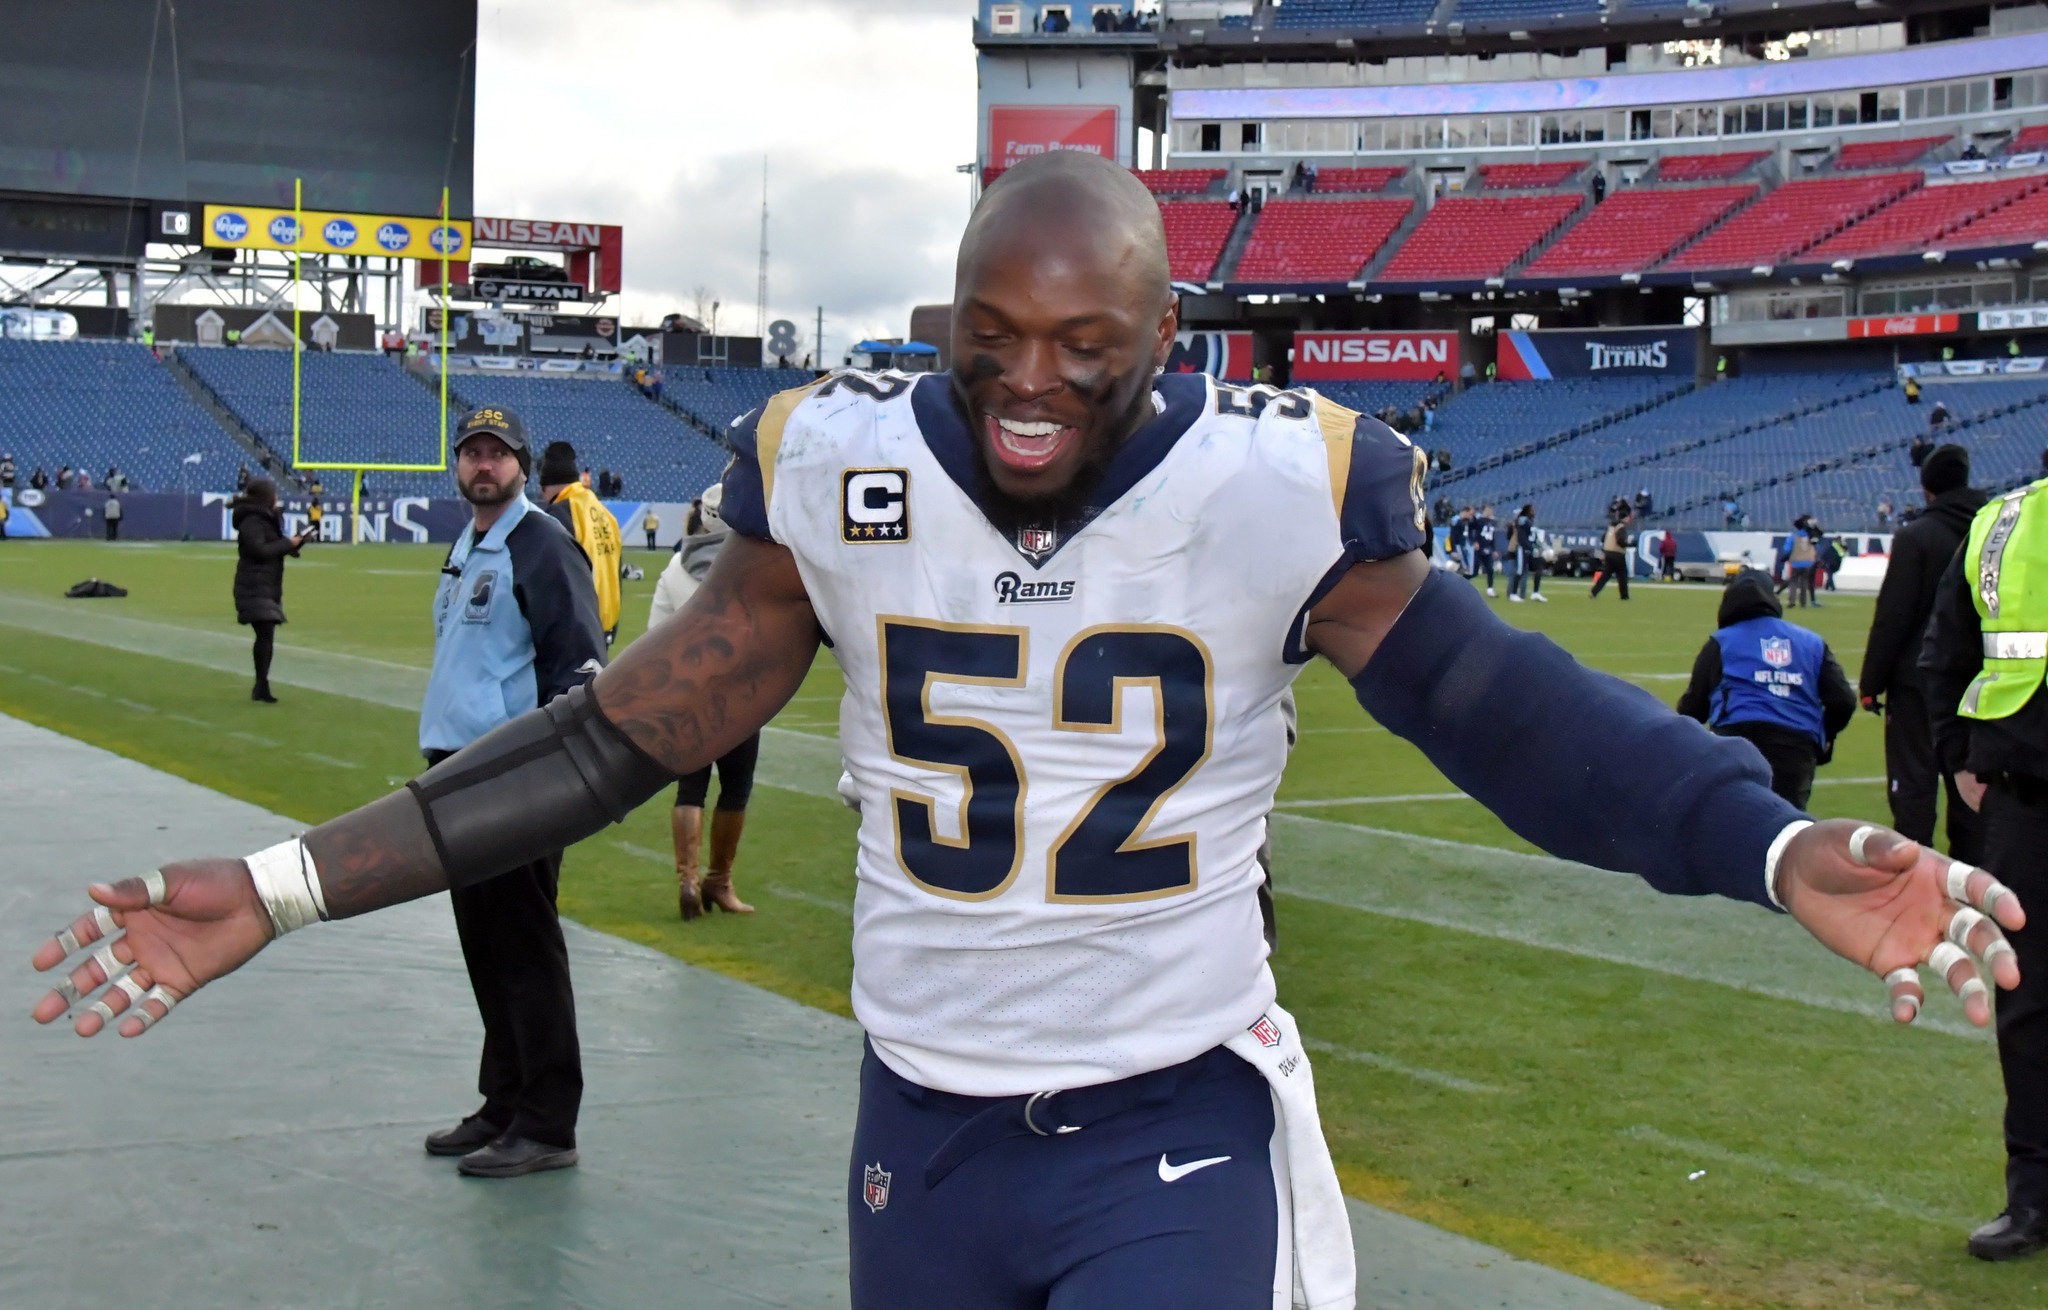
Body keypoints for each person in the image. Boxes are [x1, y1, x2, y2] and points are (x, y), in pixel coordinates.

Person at [30, 149, 2026, 1309]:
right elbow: (603, 740)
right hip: (917, 1137)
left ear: (1170, 334)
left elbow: (1513, 718)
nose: (1030, 385)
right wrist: (280, 886)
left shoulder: (1278, 484)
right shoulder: (835, 473)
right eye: (992, 336)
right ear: (947, 314)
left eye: (1087, 344)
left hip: (1162, 1129)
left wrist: (1769, 847)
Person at [419, 405, 608, 1179]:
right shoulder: (471, 542)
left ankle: (547, 1120)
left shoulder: (540, 544)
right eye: (473, 452)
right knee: (487, 947)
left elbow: (580, 667)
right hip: (457, 772)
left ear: (523, 466)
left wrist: (548, 777)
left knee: (525, 948)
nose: (484, 465)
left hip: (513, 776)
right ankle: (502, 1101)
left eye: (498, 453)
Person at [1921, 473, 2048, 1260]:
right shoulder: (2002, 523)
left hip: (2016, 803)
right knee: (2027, 1008)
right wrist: (1955, 753)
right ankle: (2032, 1200)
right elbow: (1948, 652)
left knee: (2029, 1009)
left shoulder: (2001, 517)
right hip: (2022, 802)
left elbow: (1941, 654)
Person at [1861, 445, 1987, 861]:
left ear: (1926, 487)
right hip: (1978, 681)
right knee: (1970, 784)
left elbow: (1894, 615)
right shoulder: (1990, 532)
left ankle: (1915, 878)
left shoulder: (1916, 536)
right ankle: (1974, 882)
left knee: (1914, 783)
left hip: (1917, 679)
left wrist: (1871, 683)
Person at [647, 483, 757, 919]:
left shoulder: (676, 566)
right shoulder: (747, 568)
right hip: (739, 694)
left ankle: (687, 879)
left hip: (687, 695)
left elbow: (655, 636)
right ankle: (719, 880)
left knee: (691, 786)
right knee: (736, 786)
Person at [1676, 569, 1856, 808]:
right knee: (1787, 826)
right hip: (1795, 746)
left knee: (1735, 819)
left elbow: (1693, 708)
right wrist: (1825, 735)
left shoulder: (1722, 641)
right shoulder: (1811, 642)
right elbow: (1843, 700)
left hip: (1738, 739)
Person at [230, 478, 311, 704]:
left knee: (266, 634)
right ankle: (261, 685)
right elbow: (260, 550)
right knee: (265, 632)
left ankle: (261, 684)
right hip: (253, 585)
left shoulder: (264, 519)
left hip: (266, 584)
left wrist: (297, 543)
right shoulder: (252, 521)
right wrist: (289, 544)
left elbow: (274, 548)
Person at [537, 441, 623, 645]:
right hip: (604, 630)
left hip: (575, 633)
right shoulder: (606, 515)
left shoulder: (558, 515)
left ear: (544, 487)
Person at [1503, 502, 1546, 603]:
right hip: (1521, 549)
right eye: (1532, 510)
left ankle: (1535, 593)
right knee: (1518, 572)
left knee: (1537, 569)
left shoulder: (1529, 522)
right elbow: (1518, 537)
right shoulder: (1522, 521)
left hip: (1530, 549)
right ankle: (1513, 594)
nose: (1534, 512)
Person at [1590, 512, 1632, 599]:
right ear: (1624, 518)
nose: (1629, 519)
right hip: (1617, 554)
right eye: (1628, 517)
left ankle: (1594, 592)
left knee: (1606, 575)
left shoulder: (1611, 527)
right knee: (1622, 576)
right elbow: (1620, 541)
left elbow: (1602, 539)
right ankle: (1624, 596)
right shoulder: (1621, 527)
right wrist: (1629, 544)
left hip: (1608, 553)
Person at [1779, 518, 1818, 608]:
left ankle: (1792, 601)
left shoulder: (1793, 536)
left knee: (1793, 582)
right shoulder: (1809, 535)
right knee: (1804, 582)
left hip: (1796, 562)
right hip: (1808, 562)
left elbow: (1787, 549)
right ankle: (1803, 603)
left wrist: (1786, 556)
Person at [1473, 505, 1498, 596]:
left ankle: (1490, 589)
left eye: (1490, 510)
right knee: (1474, 571)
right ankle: (1461, 584)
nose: (1489, 512)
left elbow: (1492, 537)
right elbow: (1474, 531)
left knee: (1490, 570)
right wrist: (1475, 541)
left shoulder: (1492, 522)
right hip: (1479, 548)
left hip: (1488, 549)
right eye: (1487, 510)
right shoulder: (1479, 521)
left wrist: (1494, 549)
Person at [1448, 505, 1474, 576]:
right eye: (1469, 514)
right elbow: (1452, 535)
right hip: (1457, 544)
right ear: (1465, 512)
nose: (1470, 516)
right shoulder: (1456, 520)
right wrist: (1453, 549)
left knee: (1462, 562)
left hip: (1462, 544)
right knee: (1462, 563)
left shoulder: (1466, 521)